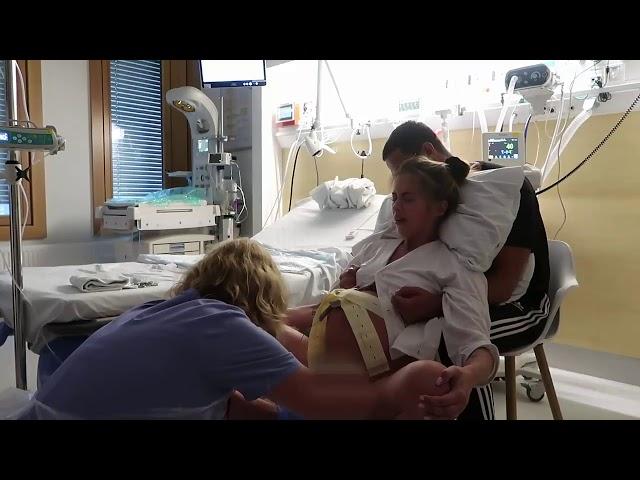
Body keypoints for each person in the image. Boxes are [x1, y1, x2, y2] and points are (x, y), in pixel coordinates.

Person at [17, 238, 448, 420]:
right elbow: (322, 402)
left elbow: (225, 403)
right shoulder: (223, 327)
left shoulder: (162, 310)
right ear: (264, 292)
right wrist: (405, 381)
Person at [280, 156, 498, 420]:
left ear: (439, 207)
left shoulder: (453, 267)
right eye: (394, 198)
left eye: (408, 199)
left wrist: (468, 375)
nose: (396, 208)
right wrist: (274, 316)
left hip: (378, 376)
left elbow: (477, 346)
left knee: (430, 379)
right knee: (258, 323)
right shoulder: (376, 247)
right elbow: (321, 308)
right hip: (320, 355)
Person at [378, 120, 550, 420]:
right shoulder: (443, 197)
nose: (401, 183)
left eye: (402, 170)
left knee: (451, 343)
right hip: (460, 294)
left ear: (427, 151)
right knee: (402, 335)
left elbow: (504, 286)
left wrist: (435, 304)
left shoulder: (501, 189)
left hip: (521, 307)